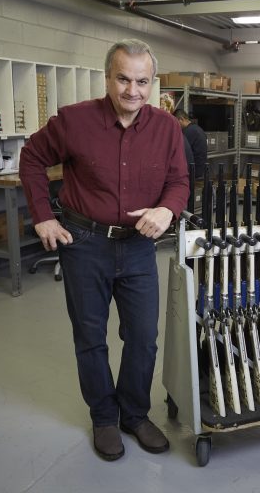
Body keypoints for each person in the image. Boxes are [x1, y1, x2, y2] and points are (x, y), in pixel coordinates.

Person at [19, 39, 189, 462]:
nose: (133, 90)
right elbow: (31, 158)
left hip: (137, 248)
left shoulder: (167, 128)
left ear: (153, 83)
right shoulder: (74, 121)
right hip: (84, 244)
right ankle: (104, 418)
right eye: (124, 79)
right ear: (108, 77)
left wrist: (168, 210)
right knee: (90, 337)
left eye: (142, 81)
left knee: (143, 338)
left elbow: (180, 181)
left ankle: (134, 413)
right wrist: (43, 215)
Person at [174, 109, 207, 179]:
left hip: (194, 171)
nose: (175, 125)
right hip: (201, 168)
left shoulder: (188, 132)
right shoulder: (197, 128)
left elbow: (181, 151)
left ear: (181, 119)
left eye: (176, 122)